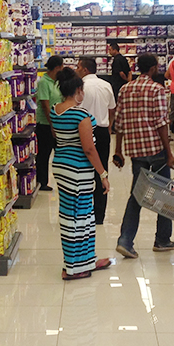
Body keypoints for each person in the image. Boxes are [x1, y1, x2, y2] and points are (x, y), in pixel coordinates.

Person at [112, 53, 174, 257]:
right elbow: (161, 124)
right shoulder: (157, 89)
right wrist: (169, 153)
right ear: (153, 68)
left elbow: (119, 122)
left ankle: (125, 240)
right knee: (164, 195)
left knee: (137, 195)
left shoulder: (125, 89)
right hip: (156, 150)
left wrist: (118, 150)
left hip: (135, 152)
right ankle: (162, 240)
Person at [49, 67, 112, 280]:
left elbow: (60, 138)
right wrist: (103, 174)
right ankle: (72, 268)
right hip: (78, 171)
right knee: (78, 218)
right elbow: (88, 149)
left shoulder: (55, 110)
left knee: (77, 215)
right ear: (77, 90)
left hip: (61, 166)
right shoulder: (80, 114)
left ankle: (85, 261)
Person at [76, 56, 116, 225]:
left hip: (84, 132)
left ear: (85, 70)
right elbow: (112, 109)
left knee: (82, 172)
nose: (76, 70)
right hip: (102, 131)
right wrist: (108, 126)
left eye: (78, 67)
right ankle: (99, 215)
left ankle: (83, 214)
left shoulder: (80, 87)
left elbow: (76, 110)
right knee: (102, 171)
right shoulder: (106, 85)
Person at [35, 55, 65, 191]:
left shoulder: (57, 81)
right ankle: (42, 182)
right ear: (57, 67)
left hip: (58, 123)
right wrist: (52, 125)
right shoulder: (43, 82)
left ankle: (63, 179)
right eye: (62, 66)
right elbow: (46, 106)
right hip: (45, 125)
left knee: (60, 153)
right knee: (44, 154)